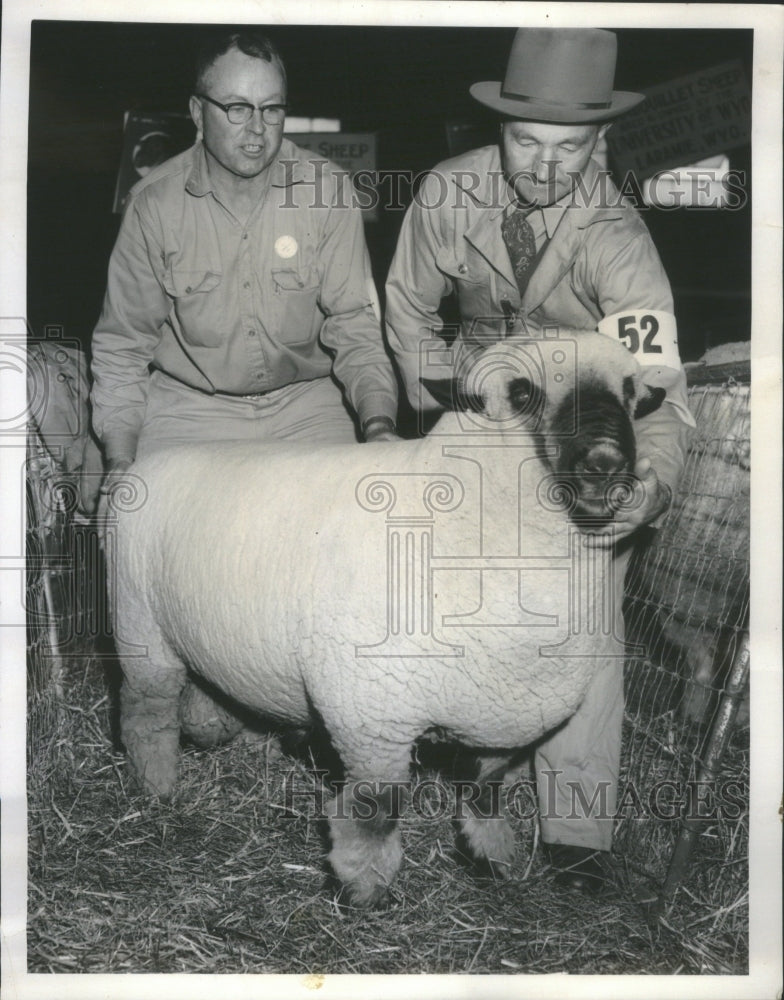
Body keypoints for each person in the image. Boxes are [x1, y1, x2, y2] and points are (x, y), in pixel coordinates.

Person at [385, 27, 695, 895]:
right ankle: (461, 781)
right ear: (499, 125)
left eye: (571, 147)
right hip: (482, 419)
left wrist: (648, 489)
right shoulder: (448, 192)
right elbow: (406, 312)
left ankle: (576, 836)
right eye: (527, 142)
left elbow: (662, 388)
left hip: (586, 435)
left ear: (602, 142)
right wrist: (450, 403)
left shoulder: (621, 238)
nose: (545, 166)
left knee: (585, 615)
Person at [88, 29, 399, 507]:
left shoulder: (329, 191)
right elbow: (123, 348)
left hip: (307, 406)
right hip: (192, 410)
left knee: (354, 526)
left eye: (271, 108)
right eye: (237, 108)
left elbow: (355, 325)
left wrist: (378, 429)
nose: (257, 128)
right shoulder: (153, 206)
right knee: (147, 532)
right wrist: (120, 460)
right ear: (197, 112)